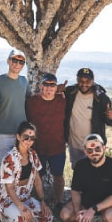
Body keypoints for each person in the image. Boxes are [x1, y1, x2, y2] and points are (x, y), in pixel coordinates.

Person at [60, 133, 112, 222]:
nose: (94, 153)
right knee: (65, 215)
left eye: (97, 149)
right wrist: (77, 212)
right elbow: (75, 191)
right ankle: (85, 221)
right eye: (90, 150)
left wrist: (92, 210)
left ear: (104, 148)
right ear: (85, 152)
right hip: (86, 201)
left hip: (107, 203)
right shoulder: (80, 166)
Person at [0, 121, 53, 222]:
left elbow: (37, 181)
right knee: (23, 219)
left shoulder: (33, 155)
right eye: (26, 137)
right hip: (8, 199)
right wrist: (21, 207)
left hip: (24, 197)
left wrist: (42, 201)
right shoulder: (9, 158)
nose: (29, 141)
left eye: (32, 138)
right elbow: (9, 188)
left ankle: (25, 216)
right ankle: (6, 218)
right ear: (18, 137)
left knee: (47, 218)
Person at [0, 49, 32, 197]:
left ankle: (14, 201)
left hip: (22, 136)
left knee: (19, 169)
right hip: (5, 132)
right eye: (14, 60)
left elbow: (31, 100)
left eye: (21, 61)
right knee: (3, 170)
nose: (17, 64)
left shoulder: (23, 81)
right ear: (8, 61)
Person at [25, 73, 66, 212]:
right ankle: (40, 202)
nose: (49, 88)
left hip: (58, 146)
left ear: (56, 87)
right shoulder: (31, 102)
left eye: (52, 85)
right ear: (40, 86)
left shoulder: (62, 100)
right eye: (46, 84)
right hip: (38, 147)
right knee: (38, 176)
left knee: (58, 176)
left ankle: (59, 201)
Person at [64, 68, 112, 169]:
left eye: (88, 81)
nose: (84, 84)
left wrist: (111, 117)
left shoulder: (101, 98)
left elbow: (109, 121)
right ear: (77, 80)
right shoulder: (70, 93)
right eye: (81, 81)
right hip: (74, 144)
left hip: (93, 146)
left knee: (95, 173)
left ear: (93, 81)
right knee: (77, 171)